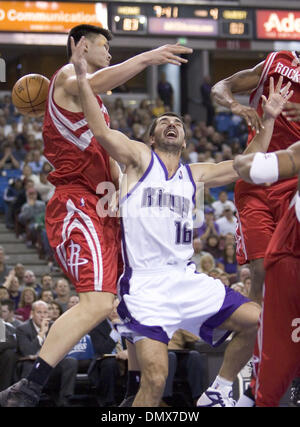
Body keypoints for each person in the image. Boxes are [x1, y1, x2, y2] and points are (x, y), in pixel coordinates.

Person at [65, 39, 291, 407]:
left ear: (184, 140)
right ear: (152, 137)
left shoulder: (193, 173)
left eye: (177, 123)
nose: (172, 124)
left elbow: (245, 167)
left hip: (186, 280)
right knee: (155, 379)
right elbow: (102, 132)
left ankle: (218, 389)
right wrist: (80, 75)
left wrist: (266, 121)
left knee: (256, 319)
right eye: (164, 123)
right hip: (147, 286)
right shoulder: (139, 160)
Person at [0, 24, 192, 407]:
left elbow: (110, 159)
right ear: (80, 45)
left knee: (129, 303)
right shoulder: (69, 76)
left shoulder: (95, 105)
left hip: (106, 207)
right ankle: (29, 387)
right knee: (99, 303)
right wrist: (149, 57)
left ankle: (129, 393)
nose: (108, 53)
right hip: (78, 203)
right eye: (104, 47)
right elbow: (100, 80)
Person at [211, 50, 300, 305]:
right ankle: (258, 343)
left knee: (290, 271)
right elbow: (222, 86)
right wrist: (235, 105)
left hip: (295, 182)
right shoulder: (278, 61)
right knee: (260, 272)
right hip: (258, 175)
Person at [232, 138, 300, 407]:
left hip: (288, 260)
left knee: (272, 371)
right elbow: (253, 169)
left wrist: (243, 162)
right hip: (290, 261)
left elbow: (252, 168)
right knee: (270, 377)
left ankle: (255, 395)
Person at [14, 300, 78, 407]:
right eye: (39, 312)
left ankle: (64, 400)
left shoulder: (55, 326)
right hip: (32, 365)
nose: (42, 316)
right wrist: (41, 333)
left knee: (70, 362)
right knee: (28, 366)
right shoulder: (22, 329)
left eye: (45, 312)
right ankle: (26, 401)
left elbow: (62, 348)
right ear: (32, 313)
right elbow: (27, 351)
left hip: (50, 365)